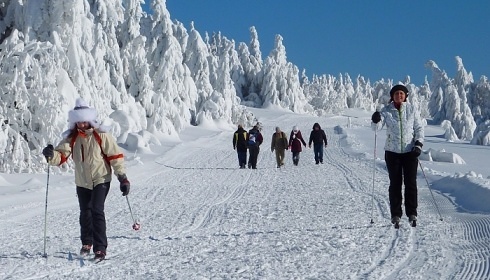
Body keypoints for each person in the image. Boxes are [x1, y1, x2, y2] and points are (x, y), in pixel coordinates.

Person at [42, 98, 130, 262]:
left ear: (89, 120)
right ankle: (86, 243)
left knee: (96, 210)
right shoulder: (72, 138)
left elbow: (115, 157)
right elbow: (60, 156)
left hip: (101, 178)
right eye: (78, 122)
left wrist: (123, 178)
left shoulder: (101, 135)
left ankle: (100, 249)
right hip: (82, 181)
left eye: (83, 121)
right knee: (85, 213)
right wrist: (50, 154)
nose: (81, 125)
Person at [371, 84, 424, 227]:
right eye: (396, 94)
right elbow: (376, 128)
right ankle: (396, 214)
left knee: (410, 183)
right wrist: (375, 119)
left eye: (401, 93)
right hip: (392, 153)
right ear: (392, 96)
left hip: (410, 152)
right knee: (395, 184)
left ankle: (412, 213)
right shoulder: (387, 110)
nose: (399, 96)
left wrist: (418, 144)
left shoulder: (412, 109)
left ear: (406, 95)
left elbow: (419, 128)